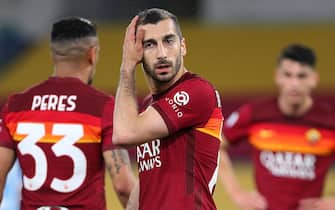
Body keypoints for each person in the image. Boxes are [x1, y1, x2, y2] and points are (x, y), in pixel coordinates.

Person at [0, 17, 136, 210]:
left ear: (53, 55)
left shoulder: (16, 106)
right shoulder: (103, 107)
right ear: (92, 54)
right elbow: (123, 186)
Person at [113, 8, 223, 210]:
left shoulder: (197, 91)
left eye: (169, 41)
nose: (162, 53)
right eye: (150, 45)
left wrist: (127, 66)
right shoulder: (148, 107)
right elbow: (147, 183)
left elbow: (123, 134)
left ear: (183, 46)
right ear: (139, 52)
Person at [219, 44, 335, 210]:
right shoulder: (255, 113)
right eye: (288, 75)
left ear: (314, 79)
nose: (294, 83)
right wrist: (236, 192)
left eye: (302, 76)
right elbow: (215, 144)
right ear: (277, 76)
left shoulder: (330, 120)